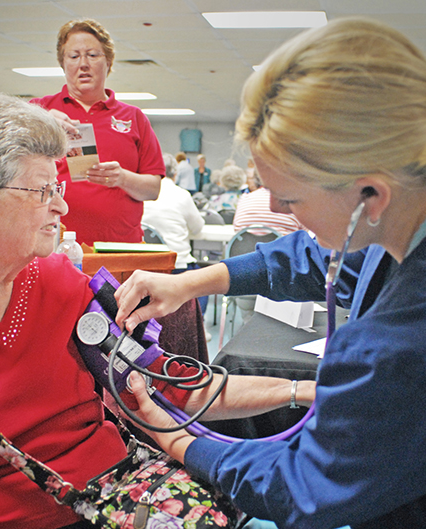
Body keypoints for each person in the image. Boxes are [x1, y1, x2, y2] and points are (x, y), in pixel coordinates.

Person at [0, 94, 315, 529]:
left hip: (118, 493)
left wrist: (300, 390)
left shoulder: (62, 281)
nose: (61, 205)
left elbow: (166, 385)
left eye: (58, 187)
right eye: (43, 191)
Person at [114, 16, 426, 529]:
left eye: (291, 198)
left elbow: (303, 487)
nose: (276, 206)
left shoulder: (397, 346)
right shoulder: (398, 219)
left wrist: (177, 441)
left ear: (370, 196)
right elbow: (312, 258)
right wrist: (192, 281)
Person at [30, 19, 164, 247]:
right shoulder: (38, 111)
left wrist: (122, 178)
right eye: (74, 56)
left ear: (108, 61)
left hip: (119, 249)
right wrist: (41, 122)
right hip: (52, 248)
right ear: (63, 64)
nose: (83, 64)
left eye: (92, 55)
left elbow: (152, 189)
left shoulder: (134, 118)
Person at [142, 153, 208, 313]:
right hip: (177, 267)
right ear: (176, 173)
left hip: (146, 267)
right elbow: (198, 228)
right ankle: (199, 325)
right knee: (205, 281)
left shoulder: (142, 194)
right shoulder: (182, 195)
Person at [233, 171, 304, 236]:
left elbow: (236, 227)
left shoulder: (244, 198)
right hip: (283, 248)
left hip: (246, 248)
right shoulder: (293, 202)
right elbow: (304, 234)